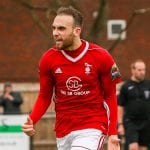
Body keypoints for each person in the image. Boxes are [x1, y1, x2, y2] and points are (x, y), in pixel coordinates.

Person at [22, 6, 121, 150]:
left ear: (76, 31)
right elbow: (44, 96)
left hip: (92, 126)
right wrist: (32, 120)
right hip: (63, 129)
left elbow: (110, 96)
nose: (55, 33)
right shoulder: (48, 59)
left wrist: (112, 134)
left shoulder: (101, 56)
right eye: (54, 28)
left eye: (61, 29)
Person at [118, 59, 150, 150]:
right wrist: (120, 124)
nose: (142, 72)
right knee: (133, 147)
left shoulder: (148, 84)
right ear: (133, 70)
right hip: (131, 122)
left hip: (146, 122)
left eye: (144, 70)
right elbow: (120, 106)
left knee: (143, 148)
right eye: (139, 70)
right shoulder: (126, 86)